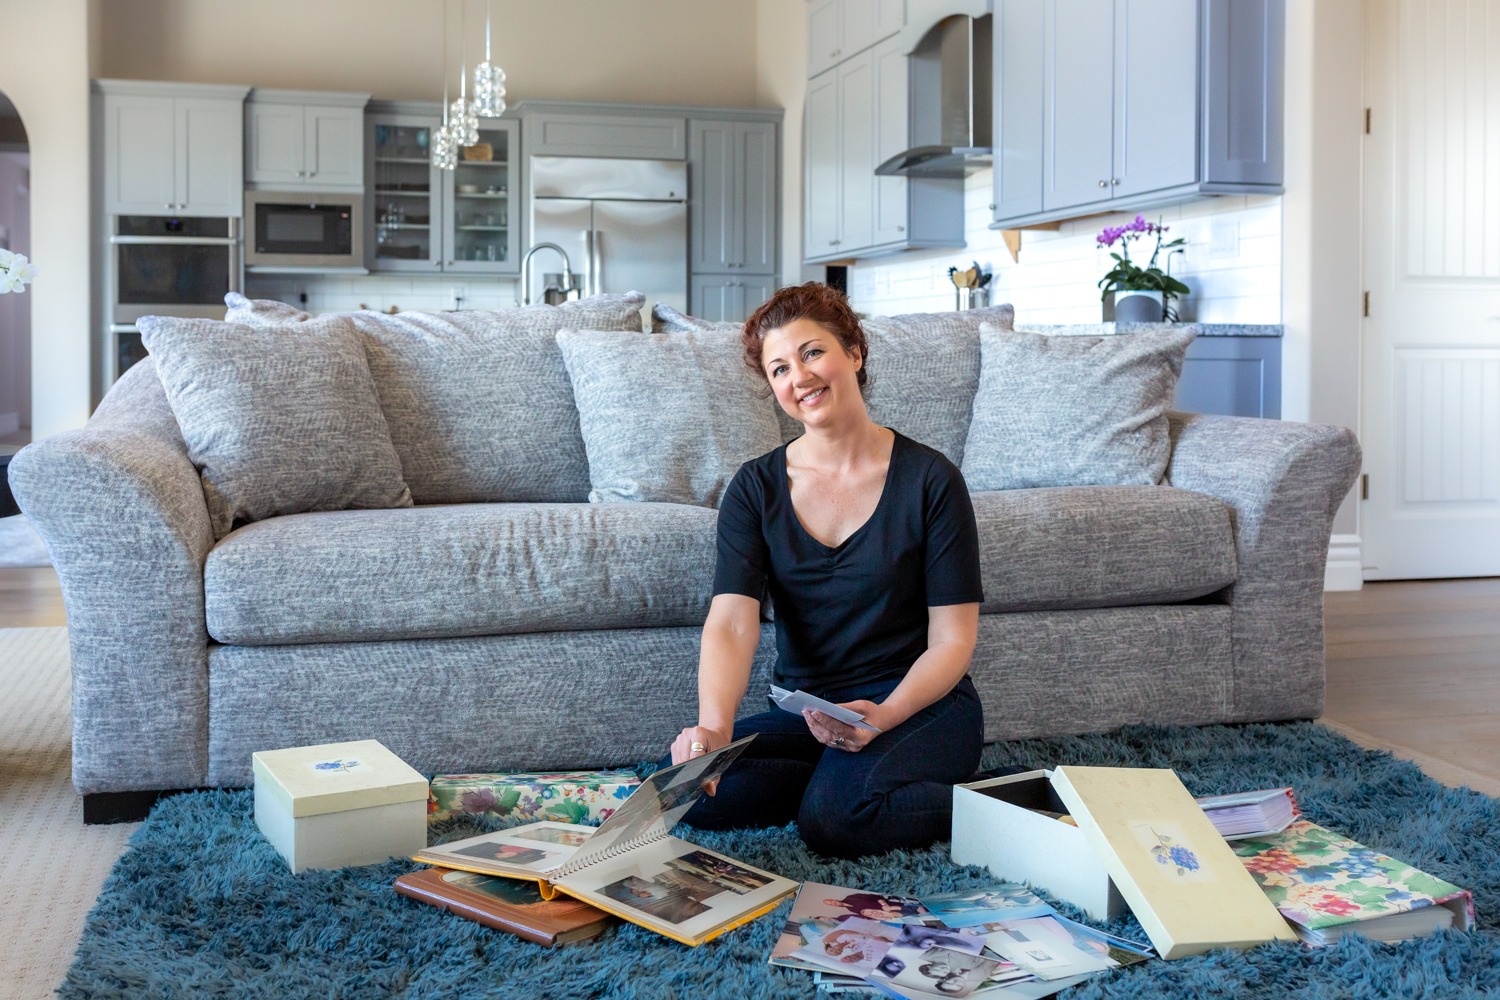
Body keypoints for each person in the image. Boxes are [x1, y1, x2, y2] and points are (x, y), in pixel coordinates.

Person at [665, 282, 985, 859]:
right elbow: (733, 621)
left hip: (918, 705)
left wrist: (886, 715)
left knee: (836, 820)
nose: (800, 377)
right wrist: (712, 731)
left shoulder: (931, 480)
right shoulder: (755, 488)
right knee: (696, 791)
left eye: (812, 353)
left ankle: (1007, 807)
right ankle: (842, 777)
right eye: (780, 368)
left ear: (854, 354)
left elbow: (954, 639)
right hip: (815, 715)